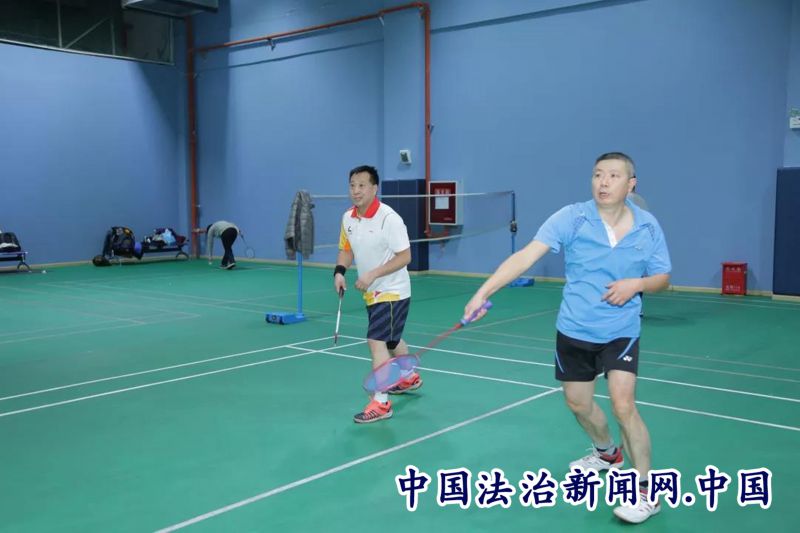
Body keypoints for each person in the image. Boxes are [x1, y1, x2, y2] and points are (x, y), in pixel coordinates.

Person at [463, 152, 671, 524]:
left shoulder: (647, 226)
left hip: (621, 330)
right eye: (597, 174)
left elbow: (663, 279)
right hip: (574, 329)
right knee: (578, 404)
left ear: (631, 184)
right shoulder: (571, 217)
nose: (603, 182)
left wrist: (636, 284)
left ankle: (646, 492)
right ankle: (607, 453)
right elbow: (525, 257)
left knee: (624, 406)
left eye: (613, 175)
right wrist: (483, 292)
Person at [333, 165, 420, 424]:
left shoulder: (389, 219)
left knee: (376, 341)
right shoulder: (348, 218)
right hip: (371, 292)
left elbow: (405, 256)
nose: (356, 190)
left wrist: (373, 274)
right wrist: (339, 272)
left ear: (374, 188)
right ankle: (408, 377)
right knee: (391, 341)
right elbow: (346, 249)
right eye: (352, 185)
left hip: (393, 290)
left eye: (362, 185)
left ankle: (381, 403)